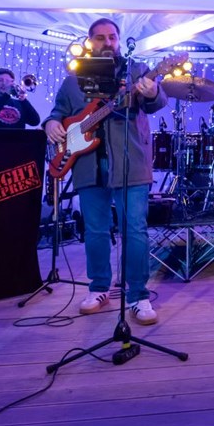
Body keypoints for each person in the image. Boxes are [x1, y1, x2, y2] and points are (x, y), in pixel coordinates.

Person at [43, 18, 167, 325]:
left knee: (134, 230)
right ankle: (99, 288)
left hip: (130, 163)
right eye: (100, 37)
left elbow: (157, 102)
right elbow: (58, 111)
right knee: (95, 230)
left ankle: (138, 295)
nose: (107, 42)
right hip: (87, 164)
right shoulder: (73, 80)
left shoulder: (136, 71)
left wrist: (152, 91)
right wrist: (51, 123)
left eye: (112, 37)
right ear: (90, 42)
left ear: (119, 40)